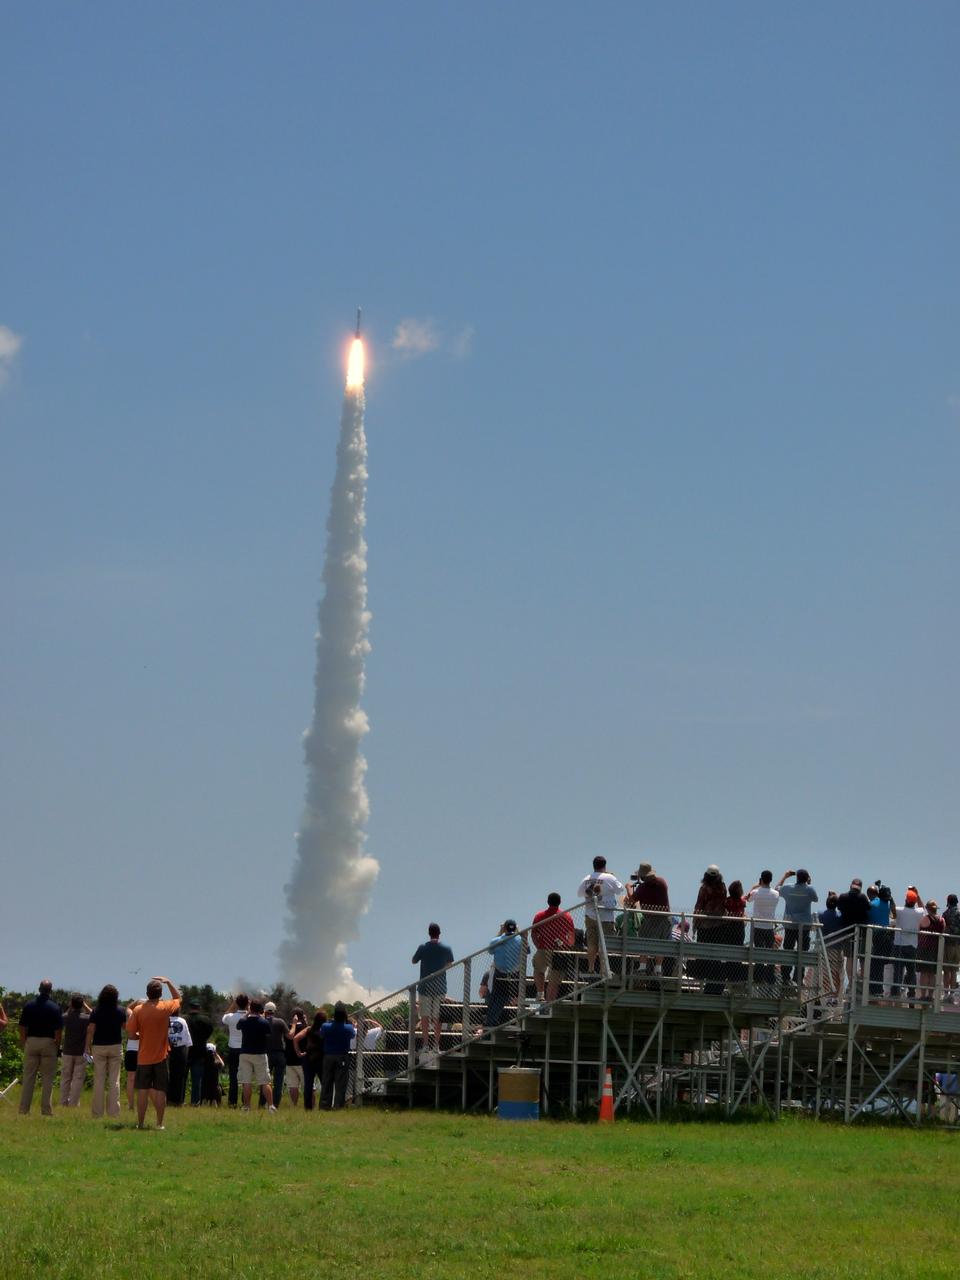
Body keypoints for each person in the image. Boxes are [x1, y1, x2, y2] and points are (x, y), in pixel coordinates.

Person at [125, 976, 181, 1130]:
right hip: (161, 1056)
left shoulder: (138, 1010)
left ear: (147, 993)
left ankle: (141, 1123)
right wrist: (169, 981)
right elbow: (178, 998)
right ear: (160, 993)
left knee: (142, 1090)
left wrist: (140, 1035)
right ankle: (159, 1123)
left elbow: (130, 1034)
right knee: (160, 1090)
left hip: (143, 1057)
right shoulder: (165, 1007)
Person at [18, 979, 63, 1116]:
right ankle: (46, 1110)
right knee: (47, 1078)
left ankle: (24, 1110)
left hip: (31, 1041)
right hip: (48, 1042)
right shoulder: (55, 1007)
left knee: (28, 1077)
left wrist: (24, 1041)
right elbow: (58, 1030)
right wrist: (57, 1045)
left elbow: (21, 1026)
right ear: (50, 990)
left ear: (39, 989)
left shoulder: (29, 1005)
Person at [577, 856, 625, 974]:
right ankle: (604, 969)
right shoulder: (609, 877)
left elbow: (579, 893)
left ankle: (591, 968)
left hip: (590, 915)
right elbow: (620, 889)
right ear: (605, 865)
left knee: (592, 943)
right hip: (606, 916)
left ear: (593, 865)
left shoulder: (586, 879)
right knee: (605, 943)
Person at [411, 924, 454, 1055]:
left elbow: (413, 961)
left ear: (429, 933)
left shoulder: (423, 947)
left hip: (425, 987)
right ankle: (436, 1045)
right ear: (439, 933)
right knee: (438, 1018)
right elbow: (450, 963)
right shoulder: (447, 948)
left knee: (424, 1017)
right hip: (440, 987)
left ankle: (425, 1045)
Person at [86, 984, 127, 1119]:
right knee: (114, 1080)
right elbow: (126, 1027)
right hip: (115, 1046)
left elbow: (91, 1029)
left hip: (99, 1046)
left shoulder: (96, 1011)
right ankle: (113, 1112)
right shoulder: (120, 1010)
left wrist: (87, 1046)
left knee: (99, 1080)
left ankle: (97, 1113)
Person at [626, 861, 672, 978]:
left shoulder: (643, 887)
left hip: (650, 919)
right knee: (660, 944)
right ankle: (658, 969)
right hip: (665, 919)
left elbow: (632, 900)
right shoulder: (662, 882)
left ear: (642, 876)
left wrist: (629, 888)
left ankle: (642, 967)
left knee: (643, 941)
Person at [530, 893, 575, 1011]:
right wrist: (568, 947)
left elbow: (534, 933)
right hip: (560, 950)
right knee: (554, 981)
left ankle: (540, 994)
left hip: (543, 948)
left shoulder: (539, 915)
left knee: (538, 970)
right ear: (560, 901)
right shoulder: (566, 916)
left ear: (548, 901)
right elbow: (570, 935)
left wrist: (537, 945)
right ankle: (549, 1005)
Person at [777, 870, 819, 990]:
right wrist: (809, 884)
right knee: (802, 952)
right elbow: (815, 899)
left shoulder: (788, 888)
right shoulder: (810, 889)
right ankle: (798, 978)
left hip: (790, 925)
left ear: (797, 878)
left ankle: (785, 978)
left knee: (788, 951)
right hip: (804, 926)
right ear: (807, 878)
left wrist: (785, 876)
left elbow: (776, 888)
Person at [236, 999, 276, 1111]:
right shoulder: (264, 1022)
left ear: (250, 1008)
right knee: (264, 1081)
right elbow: (268, 1033)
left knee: (246, 1082)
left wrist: (247, 1013)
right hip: (259, 1053)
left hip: (245, 1053)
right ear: (260, 1009)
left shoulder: (244, 1021)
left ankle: (246, 1106)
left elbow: (238, 1025)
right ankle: (271, 1106)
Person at [693, 866, 727, 993]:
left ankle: (705, 984)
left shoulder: (704, 889)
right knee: (716, 956)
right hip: (719, 926)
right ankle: (716, 985)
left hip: (705, 926)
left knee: (703, 955)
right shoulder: (723, 888)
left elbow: (699, 906)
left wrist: (695, 924)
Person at [486, 919, 523, 1028]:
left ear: (505, 927)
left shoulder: (496, 940)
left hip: (499, 973)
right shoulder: (521, 940)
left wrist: (500, 932)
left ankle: (490, 1021)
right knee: (503, 998)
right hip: (515, 973)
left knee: (496, 998)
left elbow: (490, 951)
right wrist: (518, 931)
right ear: (515, 928)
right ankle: (491, 1020)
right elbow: (527, 951)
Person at [320, 1003, 356, 1110]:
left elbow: (322, 1035)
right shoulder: (348, 1028)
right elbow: (353, 1035)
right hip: (342, 1056)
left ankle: (325, 1105)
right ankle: (338, 1105)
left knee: (327, 1081)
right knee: (340, 1083)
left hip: (328, 1056)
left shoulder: (325, 1026)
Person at [746, 871, 779, 987]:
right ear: (771, 879)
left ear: (761, 879)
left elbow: (747, 898)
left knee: (759, 952)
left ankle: (758, 977)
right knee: (769, 953)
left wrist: (756, 886)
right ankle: (770, 977)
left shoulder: (756, 892)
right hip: (769, 927)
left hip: (757, 926)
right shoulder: (776, 894)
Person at [836, 879, 871, 987]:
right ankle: (863, 983)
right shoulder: (863, 897)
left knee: (850, 958)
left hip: (847, 932)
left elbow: (839, 907)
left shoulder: (842, 897)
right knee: (862, 958)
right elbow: (869, 908)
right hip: (861, 932)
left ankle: (851, 982)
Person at [59, 994, 91, 1107]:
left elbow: (62, 1017)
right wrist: (85, 1006)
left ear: (71, 1004)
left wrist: (70, 1007)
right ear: (82, 1005)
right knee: (77, 1079)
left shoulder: (66, 1017)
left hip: (67, 1051)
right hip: (81, 1052)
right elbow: (94, 1015)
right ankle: (73, 1104)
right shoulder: (86, 1018)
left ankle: (63, 1102)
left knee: (65, 1078)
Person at [893, 889, 924, 1002]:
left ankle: (895, 993)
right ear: (915, 901)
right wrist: (917, 894)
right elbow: (922, 908)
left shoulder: (900, 910)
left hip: (899, 945)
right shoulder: (919, 912)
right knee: (911, 972)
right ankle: (911, 993)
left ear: (906, 899)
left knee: (898, 971)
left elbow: (892, 911)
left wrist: (890, 899)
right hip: (912, 946)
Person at [865, 884, 896, 1000]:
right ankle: (879, 990)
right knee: (881, 965)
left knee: (875, 965)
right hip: (887, 936)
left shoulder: (871, 905)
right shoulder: (887, 904)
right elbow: (893, 907)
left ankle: (874, 990)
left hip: (877, 936)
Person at [294, 1010, 327, 1110]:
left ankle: (308, 1107)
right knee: (324, 1084)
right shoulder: (324, 1030)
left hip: (308, 1059)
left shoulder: (309, 1029)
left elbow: (295, 1038)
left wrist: (299, 1053)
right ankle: (324, 1105)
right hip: (321, 1059)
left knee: (308, 1085)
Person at [221, 992, 249, 1108]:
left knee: (233, 1077)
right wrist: (248, 1007)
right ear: (247, 1003)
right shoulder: (248, 1017)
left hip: (233, 1049)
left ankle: (232, 1102)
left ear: (237, 1004)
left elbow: (224, 1016)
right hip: (246, 1049)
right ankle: (244, 1102)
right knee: (245, 1077)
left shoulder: (230, 1017)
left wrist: (233, 1005)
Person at [185, 1000, 213, 1107]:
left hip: (186, 1051)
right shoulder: (205, 1020)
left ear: (190, 1008)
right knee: (197, 1080)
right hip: (200, 1051)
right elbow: (210, 1031)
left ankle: (180, 1100)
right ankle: (195, 1101)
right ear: (199, 1008)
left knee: (183, 1078)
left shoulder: (184, 1019)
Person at [917, 900, 945, 1004]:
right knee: (932, 973)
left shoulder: (926, 919)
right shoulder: (942, 920)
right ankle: (930, 996)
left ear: (928, 909)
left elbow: (919, 928)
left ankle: (923, 995)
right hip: (937, 949)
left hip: (925, 948)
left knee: (924, 973)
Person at [720, 879, 748, 986]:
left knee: (729, 951)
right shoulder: (741, 902)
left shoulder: (727, 901)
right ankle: (734, 976)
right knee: (738, 951)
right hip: (738, 927)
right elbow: (742, 905)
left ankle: (727, 974)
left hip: (728, 926)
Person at [263, 1001, 291, 1106]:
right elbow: (290, 1036)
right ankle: (275, 1105)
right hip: (279, 1054)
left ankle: (263, 1103)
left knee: (264, 1080)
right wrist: (293, 1025)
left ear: (265, 1011)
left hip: (266, 1055)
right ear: (274, 1011)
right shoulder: (280, 1022)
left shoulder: (262, 1021)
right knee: (278, 1082)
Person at [818, 892, 844, 994]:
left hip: (824, 948)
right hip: (837, 948)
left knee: (824, 972)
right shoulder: (840, 915)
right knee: (837, 973)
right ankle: (835, 996)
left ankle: (824, 994)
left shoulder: (820, 914)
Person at [166, 1011, 192, 1106]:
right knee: (180, 1077)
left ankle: (168, 1099)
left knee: (168, 1076)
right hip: (180, 1050)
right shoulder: (182, 1021)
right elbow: (187, 1039)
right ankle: (178, 1100)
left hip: (167, 1049)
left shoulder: (165, 1020)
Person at [284, 1007, 308, 1106]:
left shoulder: (287, 1028)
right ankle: (310, 1105)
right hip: (302, 1060)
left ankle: (294, 1105)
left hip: (289, 1060)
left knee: (293, 1086)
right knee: (307, 1085)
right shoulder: (306, 1029)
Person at [123, 1000, 142, 1111]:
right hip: (143, 1050)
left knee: (131, 1079)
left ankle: (131, 1105)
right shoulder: (147, 1017)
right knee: (145, 1080)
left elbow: (127, 1008)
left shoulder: (132, 1016)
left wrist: (136, 1002)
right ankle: (141, 1103)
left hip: (132, 1050)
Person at [943, 894, 960, 1003]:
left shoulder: (945, 913)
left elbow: (943, 927)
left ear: (948, 902)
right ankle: (952, 994)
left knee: (947, 970)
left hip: (947, 944)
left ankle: (946, 993)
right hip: (958, 945)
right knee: (954, 970)